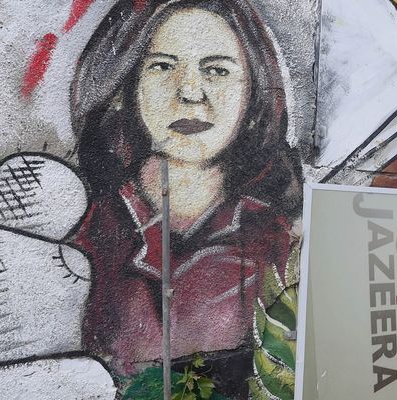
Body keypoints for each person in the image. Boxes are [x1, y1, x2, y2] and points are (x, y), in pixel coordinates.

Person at [70, 0, 301, 391]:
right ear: (126, 86)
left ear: (254, 92)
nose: (190, 92)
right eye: (161, 66)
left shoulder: (279, 245)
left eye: (216, 70)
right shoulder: (80, 233)